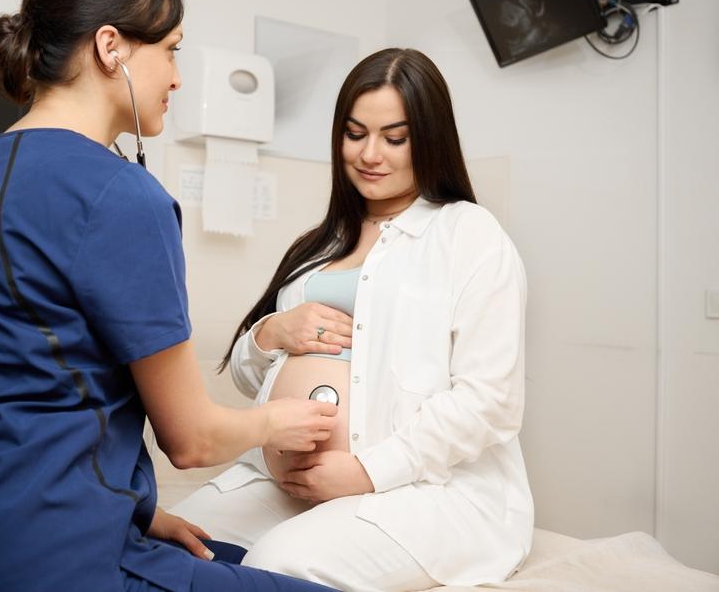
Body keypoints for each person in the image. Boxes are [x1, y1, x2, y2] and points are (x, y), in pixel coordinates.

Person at [0, 0, 340, 592]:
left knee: (227, 554)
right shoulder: (120, 195)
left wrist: (140, 510)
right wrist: (278, 421)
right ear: (111, 46)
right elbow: (193, 441)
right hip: (49, 564)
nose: (178, 75)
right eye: (172, 48)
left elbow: (6, 396)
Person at [170, 48, 534, 592]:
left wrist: (367, 471)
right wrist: (271, 333)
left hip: (420, 489)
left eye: (395, 137)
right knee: (172, 540)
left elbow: (491, 401)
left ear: (429, 139)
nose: (369, 154)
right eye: (354, 132)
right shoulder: (319, 245)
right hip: (290, 479)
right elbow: (252, 380)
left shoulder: (467, 234)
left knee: (281, 563)